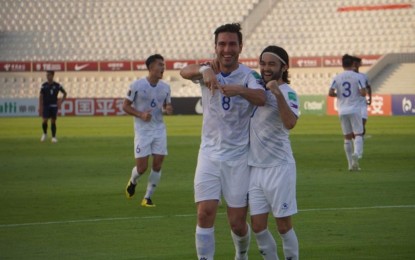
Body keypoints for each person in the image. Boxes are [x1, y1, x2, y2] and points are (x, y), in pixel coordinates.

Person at [180, 23, 266, 260]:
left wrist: (239, 89)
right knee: (204, 213)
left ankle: (241, 254)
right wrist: (203, 70)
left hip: (238, 158)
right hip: (208, 155)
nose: (226, 49)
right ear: (215, 46)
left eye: (232, 44)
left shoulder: (249, 76)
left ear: (240, 47)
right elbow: (183, 72)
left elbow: (261, 97)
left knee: (237, 223)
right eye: (222, 44)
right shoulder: (208, 69)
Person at [248, 45, 300, 260]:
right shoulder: (256, 87)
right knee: (258, 226)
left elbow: (290, 123)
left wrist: (277, 93)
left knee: (283, 225)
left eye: (271, 64)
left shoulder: (288, 92)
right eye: (263, 63)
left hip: (279, 168)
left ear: (283, 66)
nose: (266, 68)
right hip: (255, 168)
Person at [124, 54, 173, 207]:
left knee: (157, 165)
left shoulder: (165, 87)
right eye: (160, 64)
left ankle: (147, 197)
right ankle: (133, 181)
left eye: (163, 65)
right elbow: (125, 106)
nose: (162, 68)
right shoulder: (136, 85)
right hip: (142, 131)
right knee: (142, 168)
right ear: (151, 67)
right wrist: (140, 114)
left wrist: (168, 108)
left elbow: (167, 105)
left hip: (159, 129)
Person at [329, 54, 367, 171]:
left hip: (342, 110)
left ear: (342, 65)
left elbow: (330, 93)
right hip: (355, 108)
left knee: (347, 137)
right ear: (352, 64)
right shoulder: (358, 77)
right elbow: (363, 93)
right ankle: (357, 154)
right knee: (358, 134)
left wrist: (339, 95)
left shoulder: (337, 77)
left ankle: (350, 165)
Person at [39, 70, 67, 143]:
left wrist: (61, 101)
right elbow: (41, 96)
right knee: (44, 121)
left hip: (54, 106)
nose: (47, 76)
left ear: (52, 75)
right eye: (47, 75)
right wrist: (40, 106)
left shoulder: (57, 85)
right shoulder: (44, 85)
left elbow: (65, 93)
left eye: (49, 75)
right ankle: (45, 134)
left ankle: (53, 137)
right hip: (46, 105)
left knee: (53, 121)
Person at [352, 56, 372, 137]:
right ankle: (356, 139)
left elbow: (368, 87)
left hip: (362, 103)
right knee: (355, 126)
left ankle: (359, 138)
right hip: (353, 103)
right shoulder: (350, 76)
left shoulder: (364, 76)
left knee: (363, 123)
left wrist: (370, 98)